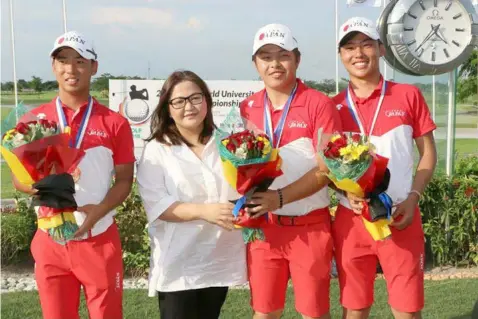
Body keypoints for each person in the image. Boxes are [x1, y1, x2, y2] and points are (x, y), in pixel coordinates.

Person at [12, 31, 135, 319]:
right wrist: (35, 187)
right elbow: (19, 178)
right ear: (53, 67)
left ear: (94, 67)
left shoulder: (114, 122)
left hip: (98, 235)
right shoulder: (33, 121)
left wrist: (100, 211)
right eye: (63, 60)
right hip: (50, 237)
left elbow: (125, 180)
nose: (71, 68)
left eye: (80, 61)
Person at [331, 17, 437, 319]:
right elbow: (326, 166)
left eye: (366, 44)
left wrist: (414, 197)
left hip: (400, 215)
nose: (358, 53)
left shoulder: (408, 95)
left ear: (381, 49)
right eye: (350, 47)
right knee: (354, 307)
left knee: (406, 309)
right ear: (341, 56)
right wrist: (342, 189)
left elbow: (428, 154)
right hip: (351, 220)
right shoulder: (333, 105)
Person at [239, 23, 342, 319]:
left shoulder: (319, 104)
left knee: (313, 314)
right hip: (263, 228)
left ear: (297, 59)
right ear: (255, 64)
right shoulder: (247, 108)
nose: (274, 64)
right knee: (264, 312)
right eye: (265, 56)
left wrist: (279, 198)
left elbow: (327, 170)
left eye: (282, 55)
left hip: (309, 227)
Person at [136, 70, 247, 319]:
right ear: (168, 108)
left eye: (195, 98)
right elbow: (157, 205)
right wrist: (205, 211)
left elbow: (243, 189)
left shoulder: (227, 144)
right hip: (178, 263)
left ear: (207, 100)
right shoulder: (157, 150)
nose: (189, 106)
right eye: (179, 101)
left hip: (217, 256)